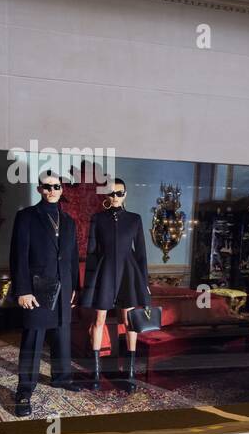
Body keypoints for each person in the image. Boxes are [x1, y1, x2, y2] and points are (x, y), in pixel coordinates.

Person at [9, 171, 81, 417]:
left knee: (63, 334)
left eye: (56, 186)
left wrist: (74, 288)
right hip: (36, 288)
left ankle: (62, 377)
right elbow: (18, 256)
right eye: (47, 187)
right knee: (33, 339)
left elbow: (72, 258)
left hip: (64, 288)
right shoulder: (26, 217)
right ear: (40, 189)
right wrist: (23, 290)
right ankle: (24, 390)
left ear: (62, 189)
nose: (52, 191)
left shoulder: (69, 221)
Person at [80, 178, 151, 390]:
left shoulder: (135, 219)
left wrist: (144, 281)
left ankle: (129, 373)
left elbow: (141, 254)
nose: (115, 197)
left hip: (128, 273)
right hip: (104, 272)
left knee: (129, 321)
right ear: (106, 195)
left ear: (125, 194)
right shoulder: (97, 219)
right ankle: (96, 373)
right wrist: (89, 283)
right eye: (112, 193)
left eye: (119, 193)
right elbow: (91, 253)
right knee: (99, 319)